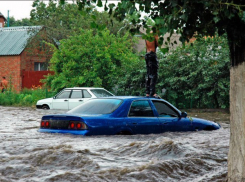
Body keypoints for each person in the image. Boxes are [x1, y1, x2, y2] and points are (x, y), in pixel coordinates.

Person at [145, 32, 159, 97]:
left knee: (148, 73)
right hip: (152, 54)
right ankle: (152, 93)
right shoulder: (154, 35)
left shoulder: (147, 36)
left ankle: (147, 92)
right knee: (154, 74)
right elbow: (158, 44)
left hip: (147, 54)